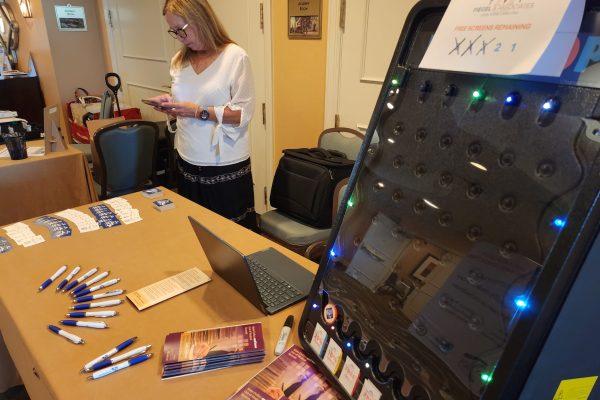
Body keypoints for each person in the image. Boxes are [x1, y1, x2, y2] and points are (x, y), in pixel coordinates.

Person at [151, 0, 257, 231]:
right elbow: (186, 97)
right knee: (197, 230)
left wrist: (198, 112)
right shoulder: (179, 60)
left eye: (181, 29)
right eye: (173, 31)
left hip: (224, 161)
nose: (179, 37)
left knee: (231, 234)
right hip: (188, 156)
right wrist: (169, 104)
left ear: (200, 19)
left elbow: (242, 114)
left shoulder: (234, 57)